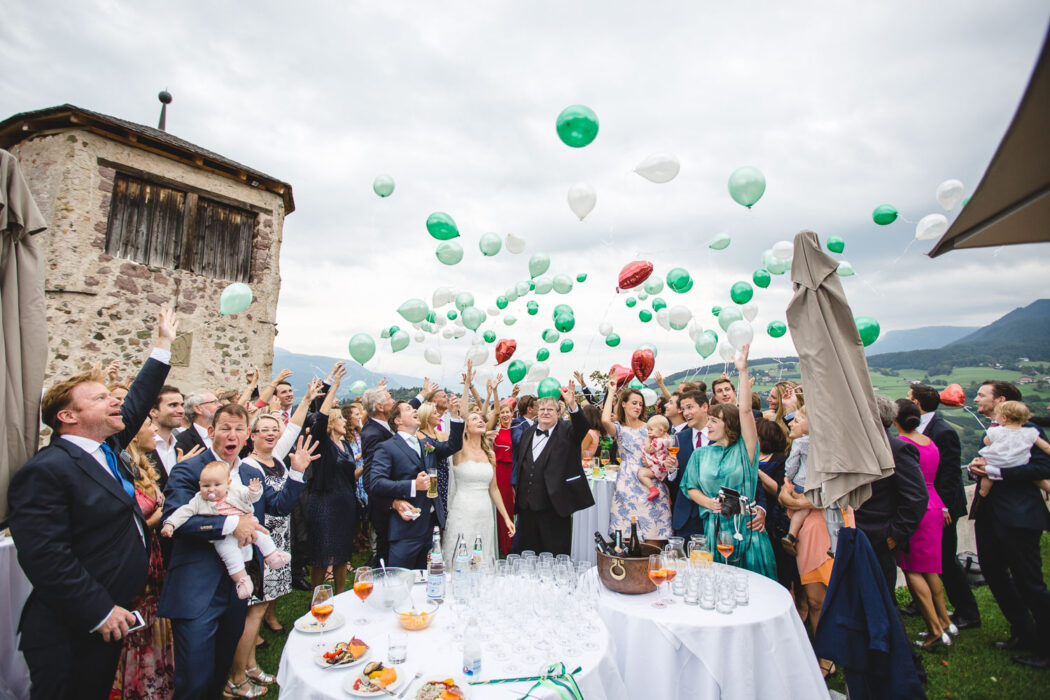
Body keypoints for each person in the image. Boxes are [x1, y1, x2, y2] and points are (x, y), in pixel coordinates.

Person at [8, 307, 175, 700]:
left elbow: (135, 401)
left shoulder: (107, 447)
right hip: (70, 626)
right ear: (68, 416)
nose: (115, 402)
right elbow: (46, 555)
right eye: (101, 398)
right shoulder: (48, 470)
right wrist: (99, 610)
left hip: (109, 618)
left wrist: (163, 344)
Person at [158, 404, 314, 699]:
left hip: (238, 590)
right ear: (211, 432)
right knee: (193, 681)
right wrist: (232, 523)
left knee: (218, 674)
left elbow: (277, 507)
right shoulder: (189, 469)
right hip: (198, 588)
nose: (232, 435)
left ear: (246, 435)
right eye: (225, 428)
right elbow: (176, 521)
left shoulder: (248, 471)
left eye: (239, 429)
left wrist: (296, 473)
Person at [968, 380, 1050, 668]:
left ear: (1000, 400)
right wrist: (976, 469)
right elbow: (986, 462)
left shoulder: (1029, 431)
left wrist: (997, 472)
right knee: (994, 574)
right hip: (989, 514)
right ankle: (1024, 632)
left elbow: (1043, 467)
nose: (975, 398)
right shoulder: (993, 430)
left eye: (981, 394)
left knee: (1030, 583)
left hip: (1018, 515)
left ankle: (1047, 646)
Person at [681, 345, 776, 580]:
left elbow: (745, 411)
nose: (708, 425)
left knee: (751, 589)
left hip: (746, 529)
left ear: (730, 425)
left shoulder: (745, 451)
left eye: (714, 421)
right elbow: (688, 487)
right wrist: (708, 503)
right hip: (714, 531)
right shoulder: (700, 455)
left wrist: (742, 371)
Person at [111, 415, 175, 699]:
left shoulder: (141, 466)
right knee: (137, 626)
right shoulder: (121, 472)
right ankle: (134, 686)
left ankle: (156, 681)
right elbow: (126, 523)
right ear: (134, 435)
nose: (154, 430)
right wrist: (164, 513)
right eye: (149, 425)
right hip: (135, 557)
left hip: (154, 556)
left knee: (154, 620)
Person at [908, 383, 980, 630]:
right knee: (926, 558)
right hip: (927, 505)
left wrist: (945, 507)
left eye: (909, 397)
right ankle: (923, 604)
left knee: (946, 560)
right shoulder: (920, 427)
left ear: (916, 403)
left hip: (942, 506)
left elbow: (949, 473)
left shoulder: (943, 430)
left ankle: (968, 612)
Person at [161, 462, 289, 599]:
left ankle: (273, 556)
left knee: (263, 535)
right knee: (230, 556)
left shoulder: (235, 490)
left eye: (217, 485)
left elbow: (249, 497)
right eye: (206, 486)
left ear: (228, 483)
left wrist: (254, 490)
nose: (211, 490)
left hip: (248, 523)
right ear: (199, 485)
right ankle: (242, 581)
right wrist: (170, 524)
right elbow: (184, 511)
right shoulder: (199, 500)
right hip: (223, 536)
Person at [371, 393, 464, 568]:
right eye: (408, 409)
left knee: (426, 581)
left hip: (431, 526)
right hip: (406, 529)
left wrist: (455, 415)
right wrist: (414, 485)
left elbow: (453, 446)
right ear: (397, 421)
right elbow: (376, 482)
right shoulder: (387, 447)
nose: (415, 409)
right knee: (401, 579)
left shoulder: (426, 444)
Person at [892, 399, 953, 651]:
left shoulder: (902, 444)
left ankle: (934, 630)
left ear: (896, 419)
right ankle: (946, 621)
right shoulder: (929, 442)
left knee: (912, 570)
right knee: (931, 570)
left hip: (916, 510)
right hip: (935, 505)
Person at [509, 381, 595, 555]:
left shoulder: (568, 430)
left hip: (555, 506)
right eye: (542, 409)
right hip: (527, 507)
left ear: (558, 412)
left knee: (554, 554)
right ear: (536, 413)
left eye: (550, 409)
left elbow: (582, 427)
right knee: (528, 554)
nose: (545, 412)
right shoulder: (528, 432)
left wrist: (572, 405)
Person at [443, 391, 517, 562]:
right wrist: (467, 384)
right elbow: (460, 417)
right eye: (474, 419)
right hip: (463, 511)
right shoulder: (459, 450)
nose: (481, 421)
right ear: (466, 427)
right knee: (461, 558)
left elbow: (494, 489)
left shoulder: (489, 453)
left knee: (482, 558)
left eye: (481, 419)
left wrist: (506, 518)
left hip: (484, 512)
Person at [305, 365, 357, 593]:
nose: (345, 422)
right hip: (324, 503)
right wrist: (334, 386)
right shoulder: (323, 444)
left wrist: (365, 465)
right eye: (341, 420)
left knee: (342, 554)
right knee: (322, 554)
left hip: (345, 503)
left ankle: (341, 595)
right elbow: (321, 414)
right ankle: (316, 597)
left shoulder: (345, 445)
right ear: (331, 422)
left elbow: (350, 474)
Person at [603, 382, 674, 544]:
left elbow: (666, 446)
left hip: (652, 483)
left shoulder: (650, 428)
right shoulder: (619, 429)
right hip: (627, 486)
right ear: (624, 404)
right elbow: (605, 421)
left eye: (641, 404)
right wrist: (611, 391)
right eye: (634, 403)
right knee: (627, 542)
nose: (638, 407)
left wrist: (661, 461)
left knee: (654, 542)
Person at [755, 418, 797, 594]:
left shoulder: (780, 460)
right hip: (755, 515)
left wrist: (755, 470)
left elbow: (778, 490)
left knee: (779, 565)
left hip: (775, 517)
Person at [977, 400, 1050, 498]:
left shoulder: (996, 431)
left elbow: (987, 442)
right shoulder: (1030, 432)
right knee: (1037, 480)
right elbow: (1046, 447)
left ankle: (983, 491)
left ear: (1004, 418)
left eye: (996, 415)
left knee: (987, 474)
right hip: (1020, 461)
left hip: (999, 462)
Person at [360, 385, 397, 566]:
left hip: (391, 499)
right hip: (384, 505)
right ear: (380, 407)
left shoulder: (383, 427)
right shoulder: (373, 433)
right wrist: (390, 502)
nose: (393, 401)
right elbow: (371, 478)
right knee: (385, 552)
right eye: (389, 399)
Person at [670, 390, 710, 538]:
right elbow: (676, 481)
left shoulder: (720, 436)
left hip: (714, 514)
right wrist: (672, 470)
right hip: (685, 516)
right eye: (683, 409)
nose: (686, 413)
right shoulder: (679, 438)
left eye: (689, 407)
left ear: (704, 406)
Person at [487, 388, 517, 556]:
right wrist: (496, 391)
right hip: (498, 472)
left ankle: (511, 541)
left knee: (511, 506)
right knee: (501, 507)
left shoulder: (516, 430)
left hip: (511, 471)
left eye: (508, 412)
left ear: (512, 414)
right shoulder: (495, 432)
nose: (505, 415)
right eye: (502, 413)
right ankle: (502, 544)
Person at [780, 406, 810, 555]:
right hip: (819, 484)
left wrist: (788, 477)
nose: (792, 424)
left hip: (800, 482)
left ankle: (791, 534)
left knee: (801, 510)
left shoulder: (800, 442)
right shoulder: (826, 441)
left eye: (797, 420)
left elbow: (792, 463)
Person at [417, 400, 451, 521]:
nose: (438, 415)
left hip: (444, 477)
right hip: (431, 478)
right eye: (435, 413)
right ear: (426, 417)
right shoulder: (419, 436)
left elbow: (455, 444)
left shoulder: (442, 435)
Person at [150, 385, 184, 480]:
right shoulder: (142, 447)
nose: (181, 411)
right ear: (154, 412)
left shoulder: (182, 445)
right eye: (173, 405)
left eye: (182, 405)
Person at [176, 390, 220, 455]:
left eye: (218, 401)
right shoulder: (183, 440)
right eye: (214, 402)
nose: (220, 405)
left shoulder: (226, 434)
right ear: (198, 409)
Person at [639, 414, 672, 501]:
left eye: (651, 430)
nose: (649, 432)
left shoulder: (659, 441)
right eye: (648, 429)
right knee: (664, 484)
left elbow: (648, 449)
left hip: (658, 466)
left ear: (661, 431)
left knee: (641, 474)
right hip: (661, 465)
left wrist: (648, 439)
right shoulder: (667, 438)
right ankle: (669, 497)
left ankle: (653, 489)